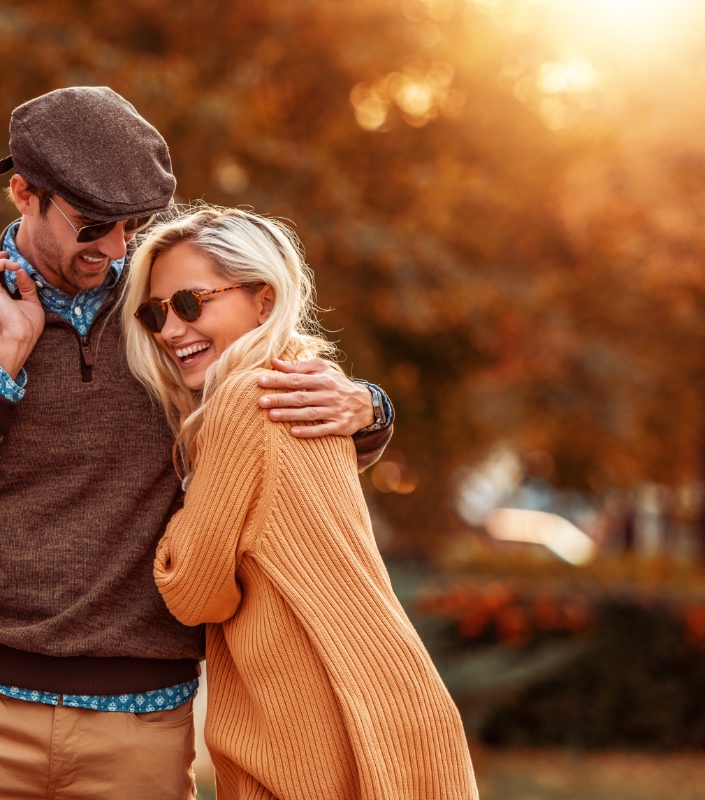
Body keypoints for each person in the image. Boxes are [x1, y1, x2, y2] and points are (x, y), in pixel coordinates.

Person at [0, 87, 394, 800]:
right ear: (24, 193)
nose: (113, 249)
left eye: (130, 225)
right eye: (92, 225)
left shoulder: (165, 308)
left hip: (140, 727)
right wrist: (5, 359)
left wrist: (367, 407)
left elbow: (267, 413)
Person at [122, 207, 478, 800]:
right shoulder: (310, 382)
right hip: (383, 707)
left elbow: (192, 589)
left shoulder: (243, 398)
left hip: (320, 735)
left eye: (191, 303)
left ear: (264, 299)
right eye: (155, 312)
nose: (169, 330)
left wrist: (172, 524)